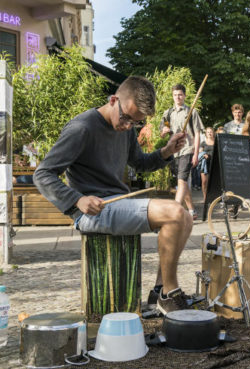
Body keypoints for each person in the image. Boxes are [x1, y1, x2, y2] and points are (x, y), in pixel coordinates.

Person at [33, 76, 192, 314]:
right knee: (175, 212)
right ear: (114, 99)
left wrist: (167, 150)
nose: (128, 126)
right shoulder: (82, 128)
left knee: (186, 218)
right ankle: (170, 293)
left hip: (118, 203)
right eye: (127, 118)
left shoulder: (125, 128)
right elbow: (42, 174)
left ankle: (160, 290)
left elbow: (139, 162)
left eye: (135, 123)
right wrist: (77, 199)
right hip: (90, 211)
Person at [159, 84, 204, 220]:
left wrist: (196, 153)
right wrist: (164, 131)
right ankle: (191, 210)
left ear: (184, 96)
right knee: (181, 183)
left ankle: (175, 210)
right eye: (175, 95)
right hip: (174, 151)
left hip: (187, 149)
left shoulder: (191, 112)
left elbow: (197, 134)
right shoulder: (168, 113)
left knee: (182, 180)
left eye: (180, 94)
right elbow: (163, 132)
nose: (177, 97)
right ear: (172, 96)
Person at [199, 127, 215, 201]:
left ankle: (212, 197)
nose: (209, 133)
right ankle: (205, 197)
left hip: (214, 163)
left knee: (212, 182)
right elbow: (200, 152)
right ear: (206, 133)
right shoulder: (203, 143)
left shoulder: (216, 142)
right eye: (208, 132)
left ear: (213, 133)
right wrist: (203, 154)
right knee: (204, 182)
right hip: (205, 164)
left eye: (211, 132)